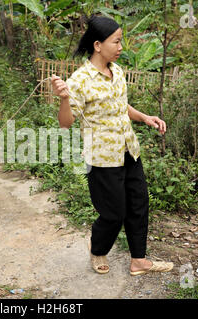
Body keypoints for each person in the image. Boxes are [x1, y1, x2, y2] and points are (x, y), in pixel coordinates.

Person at [51, 16, 173, 276]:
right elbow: (65, 123)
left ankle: (138, 260)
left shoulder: (116, 71)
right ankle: (97, 248)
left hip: (129, 149)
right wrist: (64, 98)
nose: (121, 47)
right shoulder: (79, 80)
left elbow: (120, 106)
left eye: (121, 41)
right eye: (116, 41)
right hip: (102, 159)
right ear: (97, 45)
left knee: (139, 204)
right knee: (113, 213)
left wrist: (144, 117)